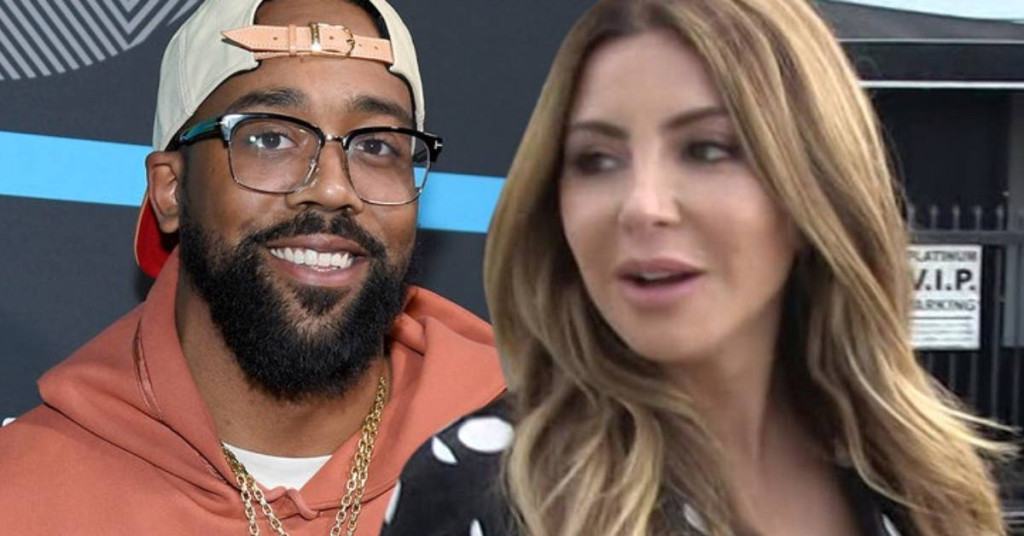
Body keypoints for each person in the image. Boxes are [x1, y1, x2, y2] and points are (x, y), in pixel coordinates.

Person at [381, 0, 1013, 535]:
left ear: (814, 186)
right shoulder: (487, 491)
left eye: (707, 149)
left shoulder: (925, 480)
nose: (643, 206)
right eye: (597, 159)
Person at [0, 0, 504, 534]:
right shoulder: (21, 495)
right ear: (171, 189)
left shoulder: (538, 465)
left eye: (377, 145)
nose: (333, 188)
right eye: (270, 138)